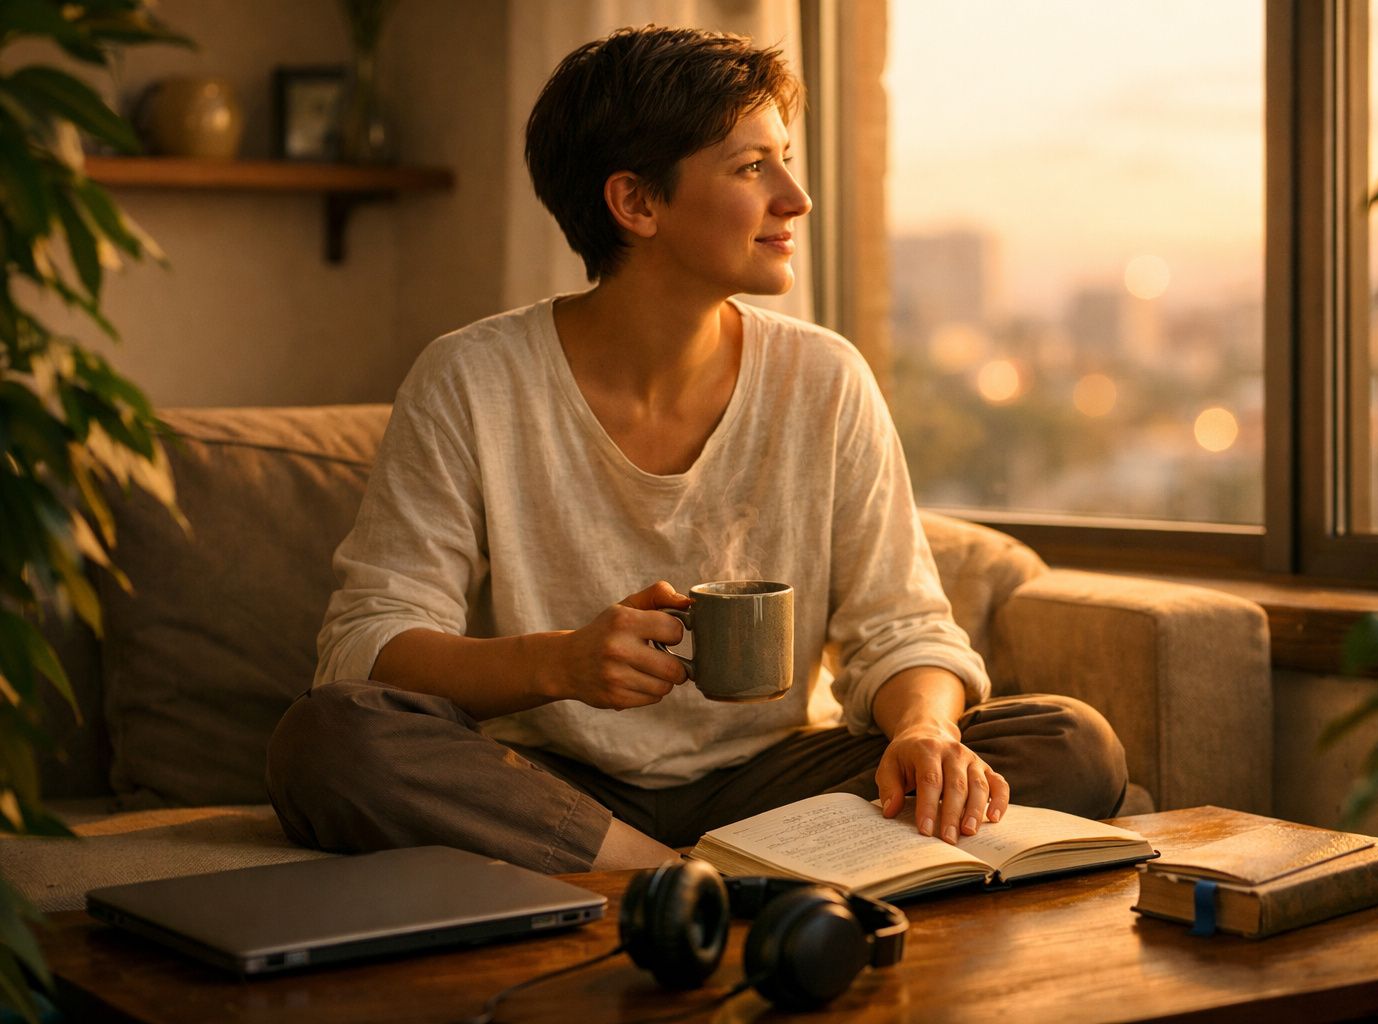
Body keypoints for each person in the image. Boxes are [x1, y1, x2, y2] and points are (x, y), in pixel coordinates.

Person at [265, 24, 1127, 873]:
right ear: (637, 203)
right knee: (330, 740)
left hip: (772, 779)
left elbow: (899, 626)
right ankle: (681, 877)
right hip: (554, 783)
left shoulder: (824, 376)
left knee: (1070, 744)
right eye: (753, 168)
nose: (796, 198)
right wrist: (557, 661)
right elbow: (366, 647)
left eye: (786, 160)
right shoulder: (471, 377)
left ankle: (694, 870)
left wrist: (926, 732)